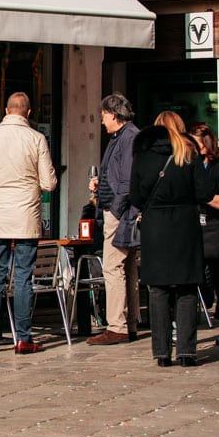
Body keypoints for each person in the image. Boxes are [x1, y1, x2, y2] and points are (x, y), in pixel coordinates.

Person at [0, 92, 57, 354]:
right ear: (28, 113)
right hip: (26, 216)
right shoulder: (36, 139)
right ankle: (23, 338)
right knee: (23, 277)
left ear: (6, 110)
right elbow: (49, 183)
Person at [130, 112, 214, 367]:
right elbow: (204, 192)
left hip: (155, 227)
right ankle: (187, 351)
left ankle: (162, 352)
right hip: (185, 226)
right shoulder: (188, 154)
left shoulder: (143, 156)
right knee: (186, 288)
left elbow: (135, 196)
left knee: (158, 290)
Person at [87, 92, 142, 346]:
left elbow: (128, 180)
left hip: (120, 212)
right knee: (127, 267)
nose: (101, 121)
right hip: (119, 209)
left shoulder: (128, 137)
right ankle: (128, 323)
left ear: (113, 114)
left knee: (113, 267)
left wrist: (116, 208)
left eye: (103, 116)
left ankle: (117, 326)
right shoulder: (122, 137)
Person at [189, 122, 219, 346]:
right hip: (196, 228)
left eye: (196, 143)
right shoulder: (192, 166)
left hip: (217, 230)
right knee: (198, 276)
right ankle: (207, 305)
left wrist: (207, 198)